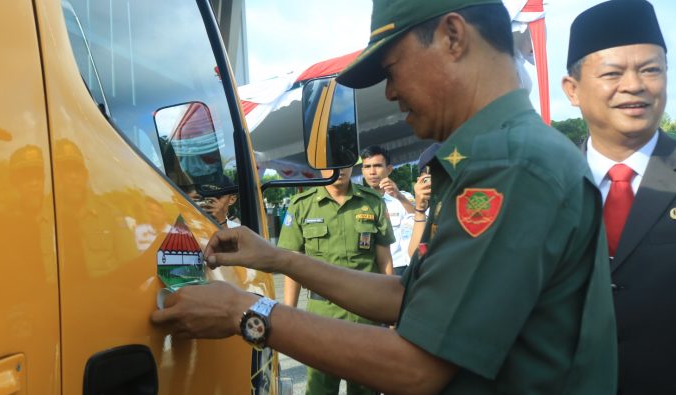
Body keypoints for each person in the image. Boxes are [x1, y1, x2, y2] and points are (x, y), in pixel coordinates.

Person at [152, 1, 617, 393]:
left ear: (453, 36)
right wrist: (279, 259)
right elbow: (406, 295)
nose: (391, 92)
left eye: (392, 69)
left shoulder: (508, 164)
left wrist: (245, 312)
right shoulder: (499, 154)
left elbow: (415, 366)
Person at [561, 1, 676, 393]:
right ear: (572, 90)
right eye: (612, 73)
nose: (635, 85)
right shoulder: (544, 184)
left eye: (651, 70)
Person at [277, 165, 394, 395]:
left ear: (352, 165)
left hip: (366, 316)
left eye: (343, 163)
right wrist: (287, 317)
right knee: (320, 388)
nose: (338, 169)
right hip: (321, 317)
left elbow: (385, 262)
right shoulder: (302, 205)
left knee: (366, 389)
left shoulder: (372, 202)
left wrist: (393, 314)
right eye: (330, 163)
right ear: (319, 166)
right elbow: (291, 266)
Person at [359, 145, 432, 275]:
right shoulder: (357, 203)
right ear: (362, 171)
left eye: (377, 166)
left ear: (389, 169)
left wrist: (399, 197)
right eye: (367, 167)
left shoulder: (404, 198)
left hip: (402, 268)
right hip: (372, 269)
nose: (372, 172)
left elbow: (419, 219)